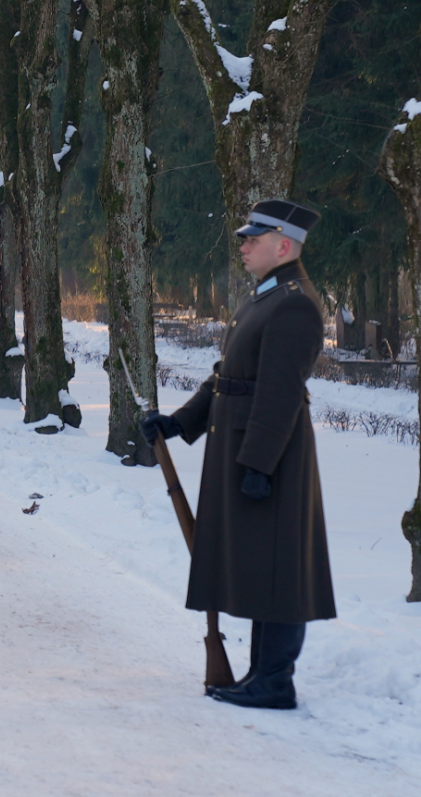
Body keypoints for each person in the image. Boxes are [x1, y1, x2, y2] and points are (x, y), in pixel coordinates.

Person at [141, 199, 335, 710]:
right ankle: (259, 674)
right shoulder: (265, 296)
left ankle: (275, 681)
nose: (244, 245)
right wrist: (180, 422)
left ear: (284, 245)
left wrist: (259, 464)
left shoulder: (294, 303)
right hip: (247, 447)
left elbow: (280, 391)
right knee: (260, 564)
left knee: (279, 569)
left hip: (270, 453)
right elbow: (229, 375)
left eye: (254, 238)